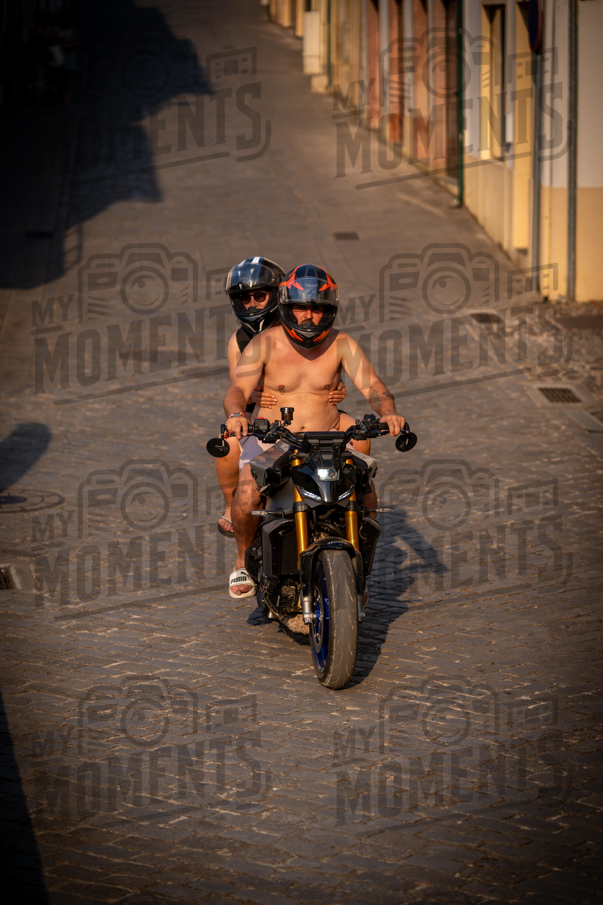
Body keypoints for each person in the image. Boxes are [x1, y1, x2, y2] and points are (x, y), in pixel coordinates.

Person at [223, 263, 405, 598]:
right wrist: (236, 413)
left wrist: (389, 412)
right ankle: (241, 560)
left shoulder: (342, 343)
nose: (309, 316)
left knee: (365, 490)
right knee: (247, 494)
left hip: (329, 440)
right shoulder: (264, 342)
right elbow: (237, 389)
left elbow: (374, 387)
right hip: (275, 440)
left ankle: (358, 570)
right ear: (287, 307)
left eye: (318, 309)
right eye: (302, 308)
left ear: (329, 311)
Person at [215, 256, 349, 538]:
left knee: (358, 440)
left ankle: (356, 502)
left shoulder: (302, 325)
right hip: (260, 412)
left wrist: (339, 387)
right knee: (227, 445)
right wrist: (251, 400)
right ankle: (231, 506)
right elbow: (238, 387)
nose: (252, 305)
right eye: (244, 298)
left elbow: (323, 367)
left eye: (259, 296)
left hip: (310, 408)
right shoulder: (239, 341)